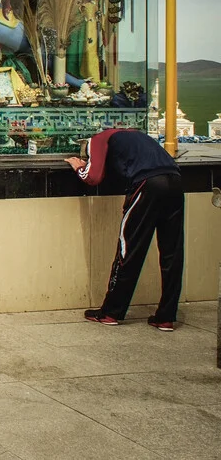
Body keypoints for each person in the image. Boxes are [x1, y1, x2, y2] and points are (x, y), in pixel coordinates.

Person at [66, 128, 184, 331]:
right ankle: (166, 317)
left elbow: (92, 177)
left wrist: (79, 167)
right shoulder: (135, 137)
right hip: (175, 181)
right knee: (172, 253)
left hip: (147, 185)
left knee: (128, 249)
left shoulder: (98, 139)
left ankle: (111, 312)